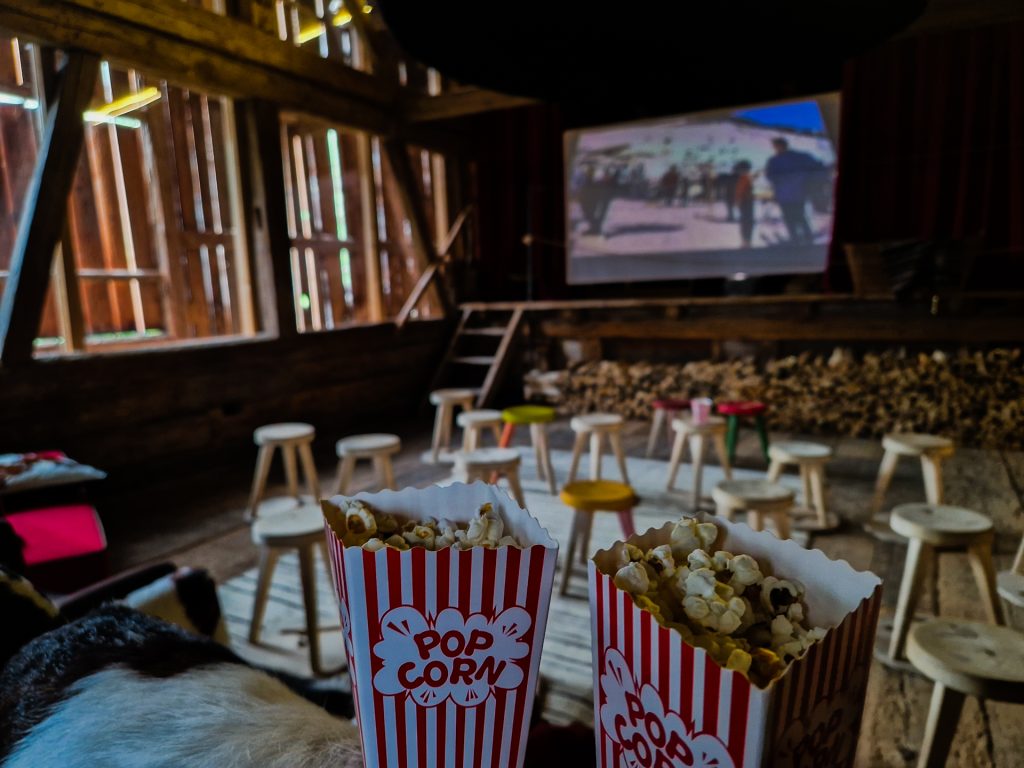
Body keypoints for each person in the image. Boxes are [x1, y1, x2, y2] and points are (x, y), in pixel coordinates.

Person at [764, 137, 823, 244]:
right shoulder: (799, 157)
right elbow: (770, 176)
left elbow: (770, 176)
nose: (775, 148)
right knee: (797, 216)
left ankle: (800, 238)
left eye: (776, 146)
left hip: (790, 194)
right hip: (793, 194)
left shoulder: (776, 160)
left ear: (780, 146)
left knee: (793, 216)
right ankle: (803, 237)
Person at [733, 160, 755, 247]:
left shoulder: (744, 178)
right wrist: (738, 201)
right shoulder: (745, 178)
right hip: (746, 202)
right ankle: (746, 241)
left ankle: (746, 241)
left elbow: (739, 192)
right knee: (747, 222)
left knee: (746, 222)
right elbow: (739, 192)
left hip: (746, 202)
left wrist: (737, 202)